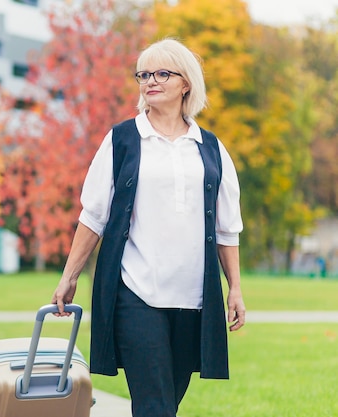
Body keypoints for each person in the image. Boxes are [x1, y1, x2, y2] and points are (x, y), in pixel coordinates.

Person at [51, 38, 246, 417]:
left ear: (185, 82)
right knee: (156, 406)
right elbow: (93, 216)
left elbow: (226, 228)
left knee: (164, 405)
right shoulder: (122, 140)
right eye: (143, 74)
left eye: (161, 73)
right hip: (136, 293)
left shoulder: (210, 148)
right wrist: (69, 276)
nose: (149, 81)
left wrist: (235, 287)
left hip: (193, 298)